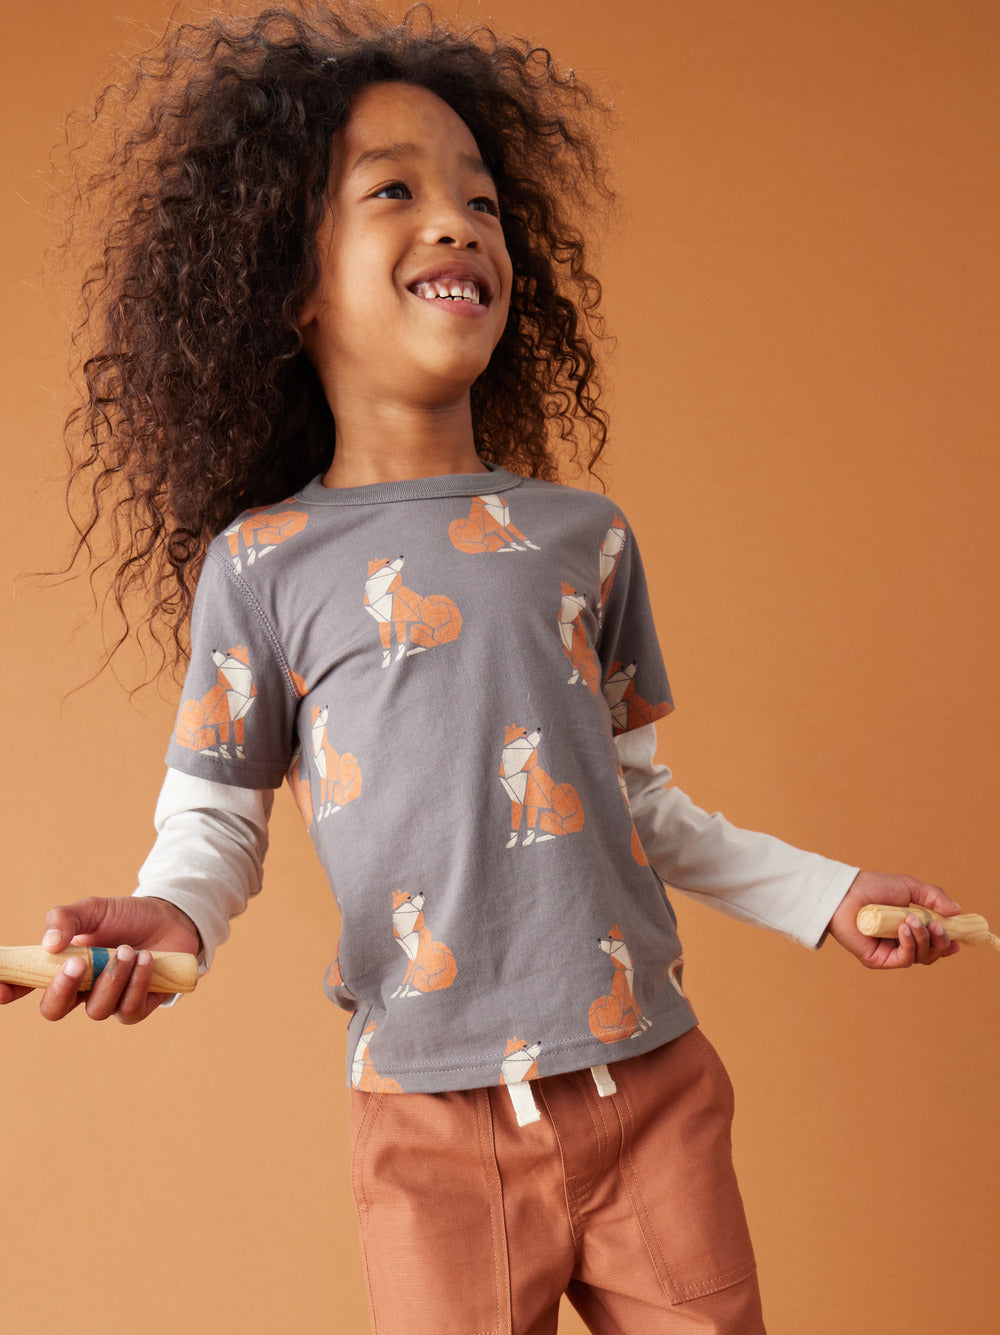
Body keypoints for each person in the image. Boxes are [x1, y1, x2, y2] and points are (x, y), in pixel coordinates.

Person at [1, 5, 962, 1332]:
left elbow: (635, 803)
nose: (456, 223)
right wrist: (175, 915)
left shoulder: (586, 539)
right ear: (291, 282)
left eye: (484, 203)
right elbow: (218, 815)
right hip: (429, 1123)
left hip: (653, 1085)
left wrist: (828, 895)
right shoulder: (262, 565)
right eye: (394, 192)